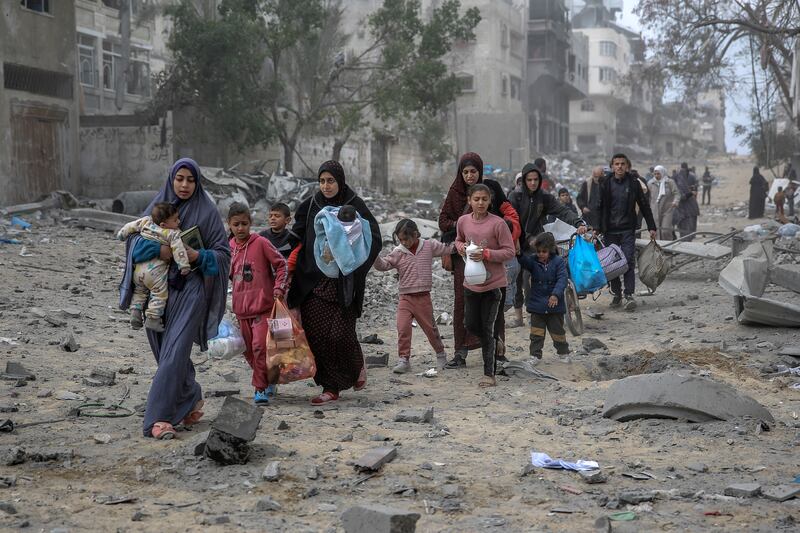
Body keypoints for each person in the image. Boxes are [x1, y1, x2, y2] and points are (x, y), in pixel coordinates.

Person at [119, 158, 230, 440]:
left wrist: (197, 256)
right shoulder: (158, 207)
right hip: (156, 291)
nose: (184, 185)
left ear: (197, 182)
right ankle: (190, 395)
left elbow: (222, 255)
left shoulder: (207, 212)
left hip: (190, 291)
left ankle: (158, 418)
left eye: (190, 180)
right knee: (164, 353)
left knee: (174, 353)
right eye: (179, 178)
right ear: (171, 179)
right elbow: (133, 242)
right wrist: (162, 251)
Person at [287, 161, 381, 405]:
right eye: (322, 181)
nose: (326, 186)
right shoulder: (310, 206)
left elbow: (373, 238)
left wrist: (355, 268)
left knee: (340, 335)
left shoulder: (354, 205)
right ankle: (330, 387)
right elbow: (295, 239)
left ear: (340, 181)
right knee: (317, 337)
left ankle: (356, 364)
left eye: (331, 181)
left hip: (343, 284)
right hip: (313, 282)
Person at [438, 152, 520, 369]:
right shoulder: (455, 193)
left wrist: (499, 232)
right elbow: (443, 221)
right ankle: (460, 352)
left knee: (493, 304)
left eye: (473, 171)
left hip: (491, 258)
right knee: (462, 305)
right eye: (465, 172)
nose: (469, 176)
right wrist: (464, 224)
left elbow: (508, 216)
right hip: (464, 261)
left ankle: (497, 350)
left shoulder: (491, 189)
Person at [508, 163, 585, 327]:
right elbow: (511, 221)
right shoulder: (515, 196)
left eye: (536, 179)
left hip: (537, 242)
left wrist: (578, 222)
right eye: (529, 180)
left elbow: (562, 211)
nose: (533, 183)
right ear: (524, 180)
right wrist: (521, 239)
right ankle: (518, 317)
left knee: (531, 277)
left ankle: (533, 311)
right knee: (517, 279)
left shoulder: (544, 197)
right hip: (516, 241)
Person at [454, 183, 516, 387]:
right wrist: (461, 247)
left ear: (490, 201)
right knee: (470, 324)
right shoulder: (463, 221)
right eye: (476, 199)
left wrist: (487, 254)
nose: (480, 203)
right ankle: (495, 341)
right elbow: (458, 240)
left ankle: (489, 374)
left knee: (488, 328)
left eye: (484, 199)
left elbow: (509, 251)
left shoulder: (498, 224)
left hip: (494, 286)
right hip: (471, 283)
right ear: (469, 201)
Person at [373, 219, 453, 373]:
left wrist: (462, 246)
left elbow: (446, 248)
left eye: (406, 239)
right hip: (405, 298)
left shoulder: (428, 246)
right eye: (401, 239)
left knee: (431, 330)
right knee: (403, 328)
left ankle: (441, 354)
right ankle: (404, 360)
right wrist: (374, 256)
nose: (404, 242)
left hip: (423, 298)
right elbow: (383, 265)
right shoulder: (398, 252)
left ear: (416, 234)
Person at [228, 202, 288, 405]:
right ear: (229, 225)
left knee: (259, 347)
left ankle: (259, 389)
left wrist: (279, 288)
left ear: (250, 223)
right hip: (241, 310)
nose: (240, 228)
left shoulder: (261, 243)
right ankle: (268, 378)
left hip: (263, 307)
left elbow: (281, 264)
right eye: (236, 224)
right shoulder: (229, 248)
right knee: (247, 350)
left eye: (244, 224)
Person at [117, 202, 191, 331]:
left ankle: (135, 312)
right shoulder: (173, 233)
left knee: (139, 291)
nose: (179, 221)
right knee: (159, 294)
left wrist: (121, 234)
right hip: (155, 273)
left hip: (138, 270)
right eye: (175, 220)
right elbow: (179, 250)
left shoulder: (146, 221)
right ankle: (153, 318)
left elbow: (130, 226)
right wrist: (184, 265)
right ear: (163, 225)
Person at [597, 153, 657, 311]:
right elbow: (599, 207)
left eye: (622, 164)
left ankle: (629, 294)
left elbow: (644, 205)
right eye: (616, 164)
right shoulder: (606, 183)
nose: (619, 166)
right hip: (610, 230)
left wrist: (651, 226)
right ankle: (617, 294)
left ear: (627, 166)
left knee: (628, 260)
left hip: (627, 229)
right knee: (612, 263)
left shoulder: (633, 183)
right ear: (612, 166)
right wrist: (596, 227)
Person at [518, 232, 569, 361]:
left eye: (544, 251)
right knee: (536, 333)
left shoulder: (558, 262)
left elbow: (562, 279)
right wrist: (518, 253)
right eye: (538, 251)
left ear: (550, 250)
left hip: (555, 306)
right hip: (537, 305)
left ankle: (563, 353)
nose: (541, 254)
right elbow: (524, 262)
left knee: (558, 332)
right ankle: (535, 355)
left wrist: (555, 295)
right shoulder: (533, 260)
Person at [647, 165, 677, 240]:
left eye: (658, 174)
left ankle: (668, 245)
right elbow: (648, 197)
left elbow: (677, 193)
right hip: (654, 211)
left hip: (667, 210)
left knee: (665, 231)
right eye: (655, 174)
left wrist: (675, 201)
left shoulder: (670, 182)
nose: (656, 176)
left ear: (663, 173)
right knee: (655, 231)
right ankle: (657, 246)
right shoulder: (650, 183)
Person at [673, 162, 700, 241]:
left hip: (687, 212)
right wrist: (691, 193)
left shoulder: (680, 181)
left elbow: (682, 196)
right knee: (688, 232)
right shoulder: (682, 181)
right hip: (689, 210)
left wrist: (690, 193)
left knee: (686, 233)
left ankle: (686, 245)